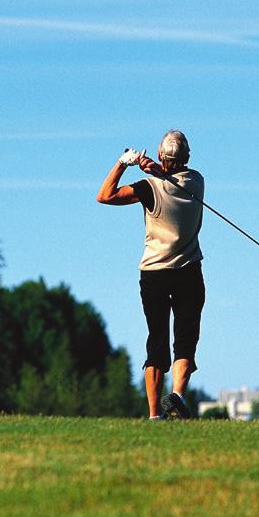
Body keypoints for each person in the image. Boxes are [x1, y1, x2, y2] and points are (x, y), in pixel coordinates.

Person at [96, 130, 205, 420]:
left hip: (154, 273)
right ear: (188, 158)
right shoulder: (197, 181)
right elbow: (168, 174)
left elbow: (104, 196)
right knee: (184, 341)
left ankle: (155, 415)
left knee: (157, 341)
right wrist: (151, 167)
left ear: (159, 156)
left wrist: (124, 162)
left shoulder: (148, 188)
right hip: (189, 271)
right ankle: (178, 396)